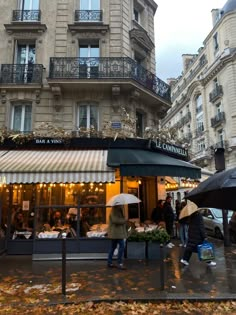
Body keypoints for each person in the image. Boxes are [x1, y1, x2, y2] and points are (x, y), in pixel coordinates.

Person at [107, 205, 128, 270]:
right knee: (122, 246)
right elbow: (115, 220)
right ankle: (119, 263)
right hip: (116, 233)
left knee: (113, 247)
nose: (122, 205)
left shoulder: (119, 210)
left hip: (117, 233)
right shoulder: (114, 210)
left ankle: (109, 262)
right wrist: (124, 220)